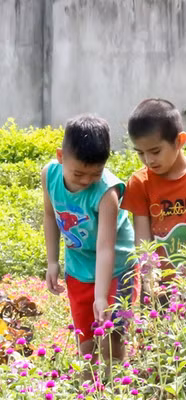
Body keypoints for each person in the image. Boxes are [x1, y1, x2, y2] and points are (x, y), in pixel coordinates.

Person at [42, 114, 136, 375]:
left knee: (111, 340)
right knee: (86, 344)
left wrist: (101, 296)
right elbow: (51, 216)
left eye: (94, 174)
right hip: (79, 267)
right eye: (78, 173)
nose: (85, 181)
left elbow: (106, 247)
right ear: (61, 157)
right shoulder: (49, 176)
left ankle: (117, 391)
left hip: (116, 268)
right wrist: (52, 261)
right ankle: (88, 395)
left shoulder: (108, 193)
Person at [122, 98, 186, 282]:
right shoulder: (139, 182)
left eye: (155, 151)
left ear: (179, 141)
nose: (148, 160)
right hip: (160, 280)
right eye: (140, 153)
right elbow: (143, 238)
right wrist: (148, 275)